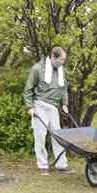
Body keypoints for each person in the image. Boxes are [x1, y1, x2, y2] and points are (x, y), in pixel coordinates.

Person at [23, 47, 71, 175]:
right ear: (53, 57)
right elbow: (28, 90)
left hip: (54, 107)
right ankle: (42, 165)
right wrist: (30, 107)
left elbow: (64, 89)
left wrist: (65, 104)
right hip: (40, 105)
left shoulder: (62, 71)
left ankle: (61, 165)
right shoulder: (37, 69)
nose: (63, 62)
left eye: (64, 60)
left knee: (58, 136)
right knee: (40, 136)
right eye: (61, 59)